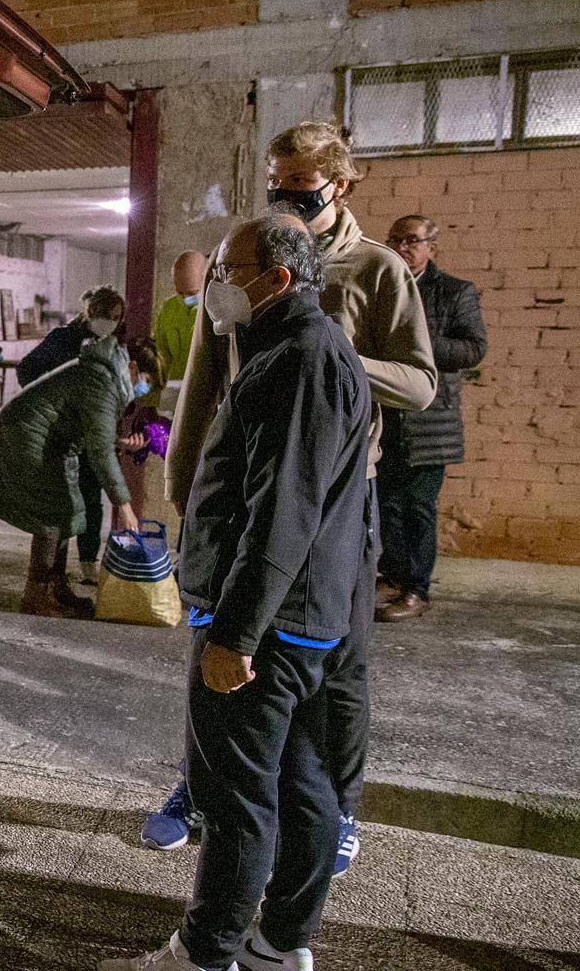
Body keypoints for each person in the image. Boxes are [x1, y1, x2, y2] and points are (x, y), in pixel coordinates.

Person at [145, 122, 436, 870]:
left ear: (339, 185)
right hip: (243, 484)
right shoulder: (242, 255)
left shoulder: (375, 270)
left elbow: (420, 382)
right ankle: (198, 783)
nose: (284, 195)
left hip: (338, 495)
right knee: (214, 639)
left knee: (336, 662)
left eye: (300, 186)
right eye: (275, 181)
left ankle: (338, 808)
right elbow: (203, 380)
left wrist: (330, 357)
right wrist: (182, 485)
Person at [101, 214, 373, 971]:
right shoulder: (293, 350)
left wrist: (235, 634)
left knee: (236, 798)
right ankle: (279, 945)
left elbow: (283, 511)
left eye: (228, 269)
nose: (216, 285)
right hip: (301, 618)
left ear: (278, 280)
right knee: (302, 783)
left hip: (267, 624)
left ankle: (206, 952)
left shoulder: (301, 359)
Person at [0, 319, 139, 618]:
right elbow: (99, 452)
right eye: (147, 379)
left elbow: (94, 433)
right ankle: (36, 594)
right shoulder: (103, 380)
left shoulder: (104, 374)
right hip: (25, 433)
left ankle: (55, 586)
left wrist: (119, 441)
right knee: (51, 512)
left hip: (42, 436)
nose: (143, 388)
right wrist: (123, 505)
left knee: (66, 508)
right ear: (134, 368)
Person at [376, 214, 485, 623]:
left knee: (418, 506)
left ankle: (417, 590)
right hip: (387, 416)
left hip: (431, 423)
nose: (403, 247)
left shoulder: (455, 292)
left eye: (412, 240)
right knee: (387, 505)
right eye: (395, 239)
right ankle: (394, 576)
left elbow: (473, 349)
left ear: (431, 248)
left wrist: (420, 343)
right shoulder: (383, 286)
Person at [16, 285, 129, 584]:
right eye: (105, 315)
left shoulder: (115, 344)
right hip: (62, 435)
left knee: (91, 500)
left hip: (90, 431)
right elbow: (27, 369)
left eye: (116, 317)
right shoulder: (63, 339)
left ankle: (87, 562)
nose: (110, 321)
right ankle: (48, 578)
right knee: (61, 503)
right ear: (90, 312)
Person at [153, 251, 207, 413]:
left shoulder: (215, 311)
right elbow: (159, 355)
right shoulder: (169, 308)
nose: (185, 298)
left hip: (204, 395)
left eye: (192, 293)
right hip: (172, 393)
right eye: (179, 292)